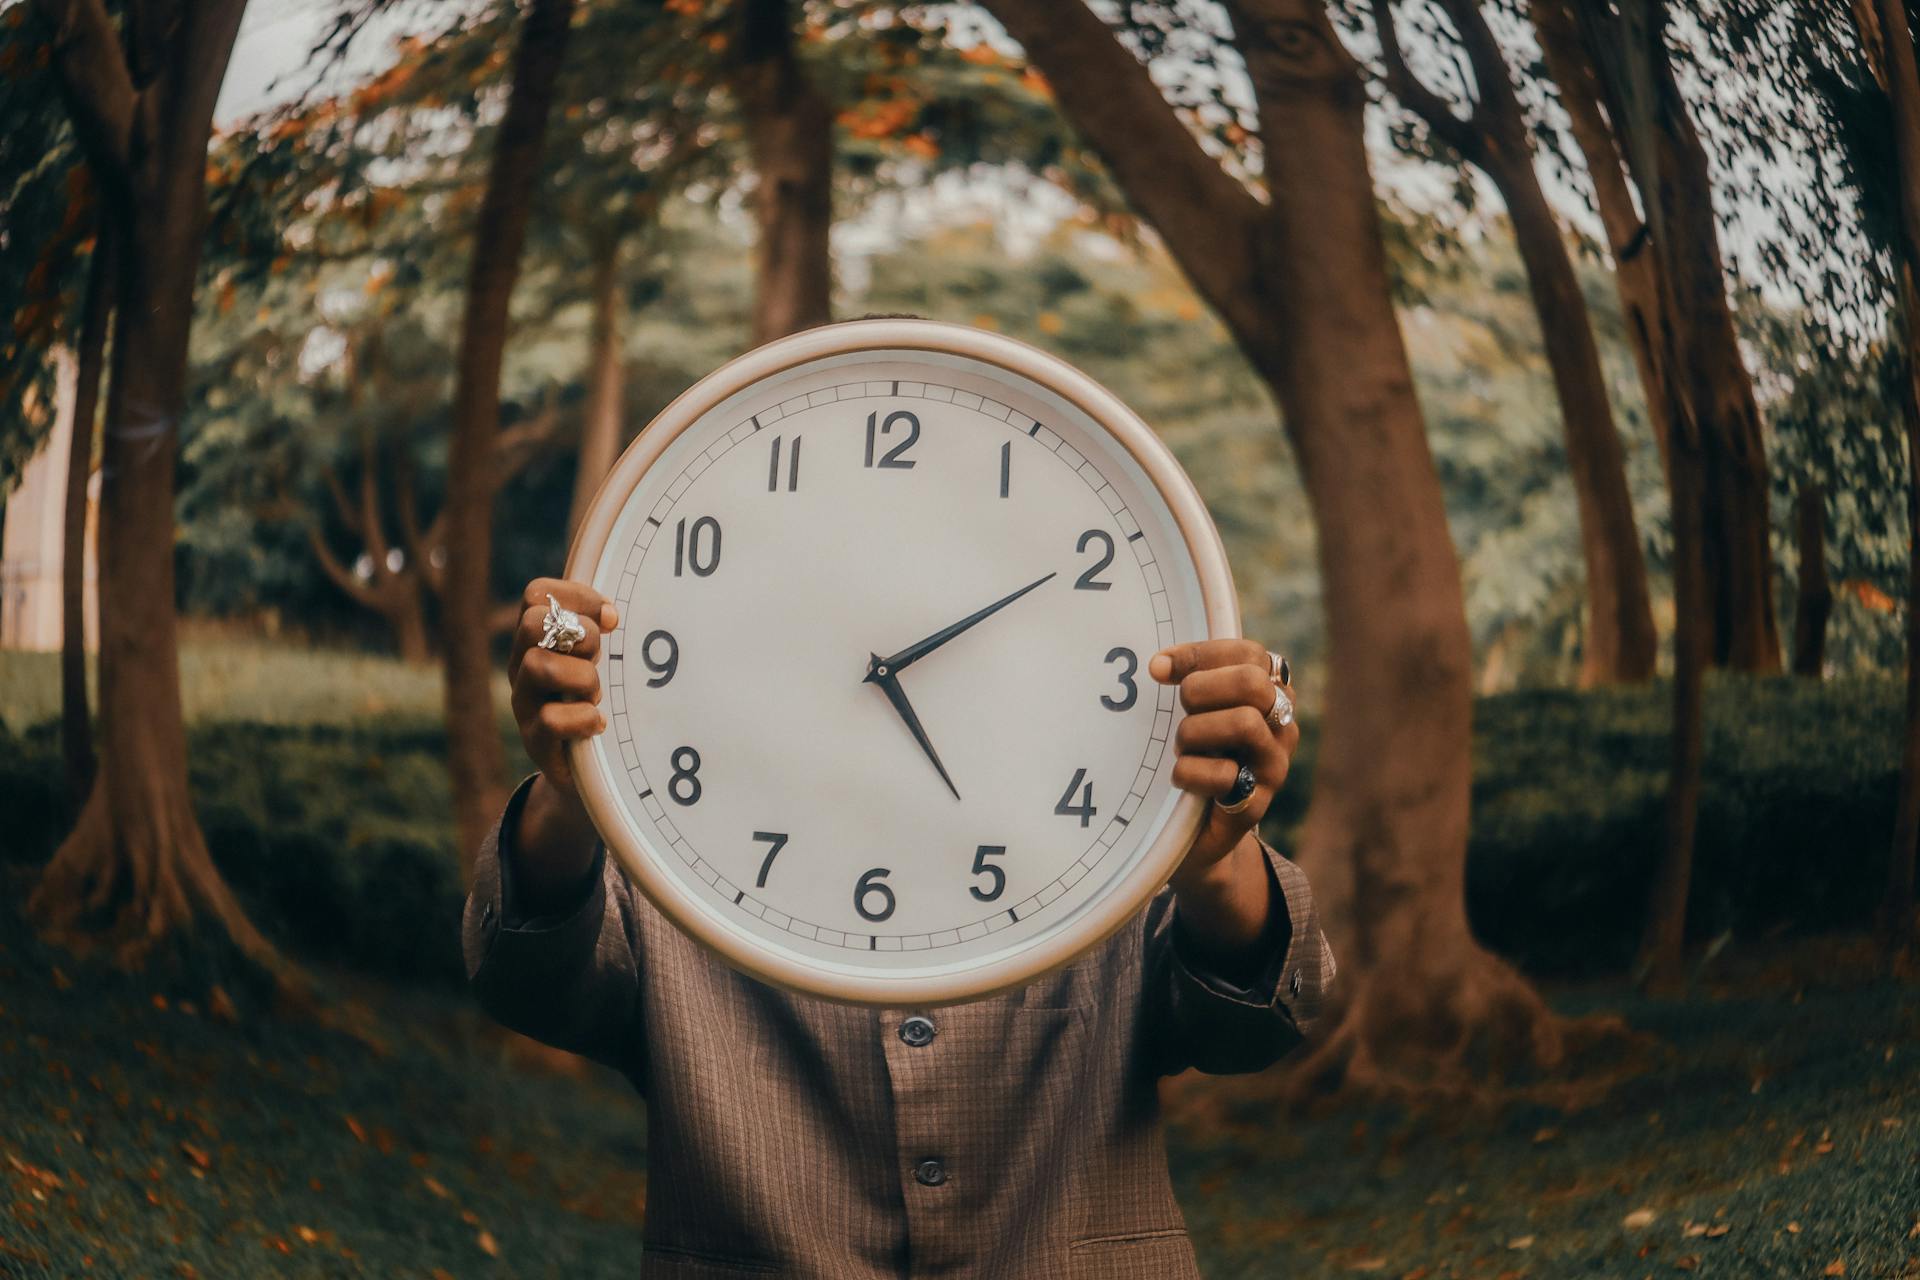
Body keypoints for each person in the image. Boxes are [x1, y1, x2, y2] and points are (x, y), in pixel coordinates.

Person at [465, 576, 1334, 1278]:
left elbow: (1247, 1025)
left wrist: (1217, 860)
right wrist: (571, 790)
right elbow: (532, 980)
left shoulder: (1108, 817)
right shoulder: (679, 846)